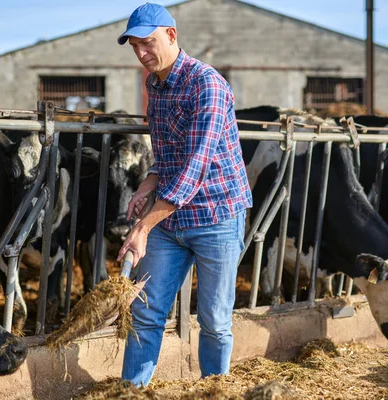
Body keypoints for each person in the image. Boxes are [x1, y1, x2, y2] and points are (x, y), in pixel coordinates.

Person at [116, 2, 253, 387]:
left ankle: (214, 390)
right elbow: (169, 153)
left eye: (148, 43)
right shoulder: (154, 84)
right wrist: (147, 182)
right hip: (171, 218)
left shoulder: (206, 84)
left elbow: (195, 164)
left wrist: (142, 228)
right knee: (146, 311)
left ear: (171, 35)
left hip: (216, 216)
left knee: (214, 320)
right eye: (135, 47)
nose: (142, 54)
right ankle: (131, 391)